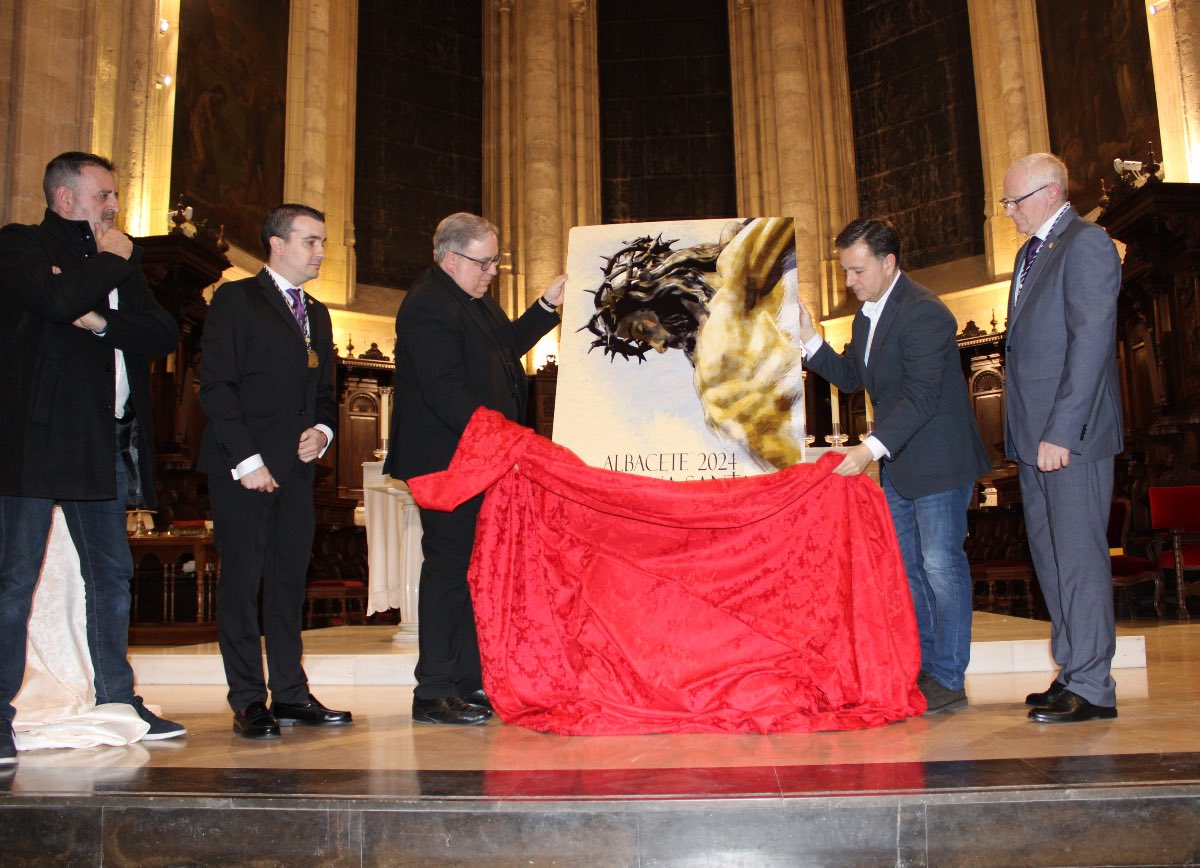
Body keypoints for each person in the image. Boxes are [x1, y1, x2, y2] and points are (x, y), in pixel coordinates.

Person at [0, 151, 187, 764]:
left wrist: (103, 321)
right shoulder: (21, 244)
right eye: (104, 193)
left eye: (113, 194)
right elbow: (55, 301)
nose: (113, 204)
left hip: (104, 443)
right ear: (65, 199)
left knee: (111, 575)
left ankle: (118, 698)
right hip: (37, 440)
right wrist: (108, 264)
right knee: (13, 581)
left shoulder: (117, 265)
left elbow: (162, 334)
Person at [798, 218, 990, 714]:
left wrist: (867, 449)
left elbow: (921, 398)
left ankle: (948, 675)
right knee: (911, 571)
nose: (849, 282)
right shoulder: (867, 315)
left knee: (942, 567)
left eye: (857, 271)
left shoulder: (924, 313)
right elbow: (851, 377)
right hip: (902, 465)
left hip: (939, 464)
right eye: (845, 272)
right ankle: (924, 668)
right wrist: (809, 341)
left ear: (888, 262)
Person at [385, 212, 565, 726]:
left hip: (476, 458)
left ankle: (467, 682)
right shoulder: (427, 305)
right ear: (450, 256)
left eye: (495, 261)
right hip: (449, 463)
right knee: (447, 570)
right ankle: (434, 691)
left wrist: (546, 306)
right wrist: (499, 438)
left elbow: (504, 346)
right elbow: (444, 392)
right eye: (484, 262)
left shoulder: (470, 299)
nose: (491, 271)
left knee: (468, 570)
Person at [199, 204, 352, 739]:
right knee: (243, 584)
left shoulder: (319, 312)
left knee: (287, 583)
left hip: (297, 469)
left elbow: (325, 393)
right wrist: (247, 460)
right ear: (276, 243)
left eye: (324, 242)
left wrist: (323, 432)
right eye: (311, 241)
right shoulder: (236, 299)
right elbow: (217, 385)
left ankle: (289, 692)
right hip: (243, 467)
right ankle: (248, 699)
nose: (320, 252)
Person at [1001, 153, 1123, 724]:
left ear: (1049, 193)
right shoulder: (1031, 254)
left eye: (1014, 202)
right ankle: (1072, 670)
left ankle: (1094, 685)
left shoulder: (1087, 243)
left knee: (1079, 559)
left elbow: (1091, 347)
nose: (1008, 212)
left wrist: (1061, 433)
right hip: (1034, 441)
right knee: (1051, 560)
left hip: (1068, 440)